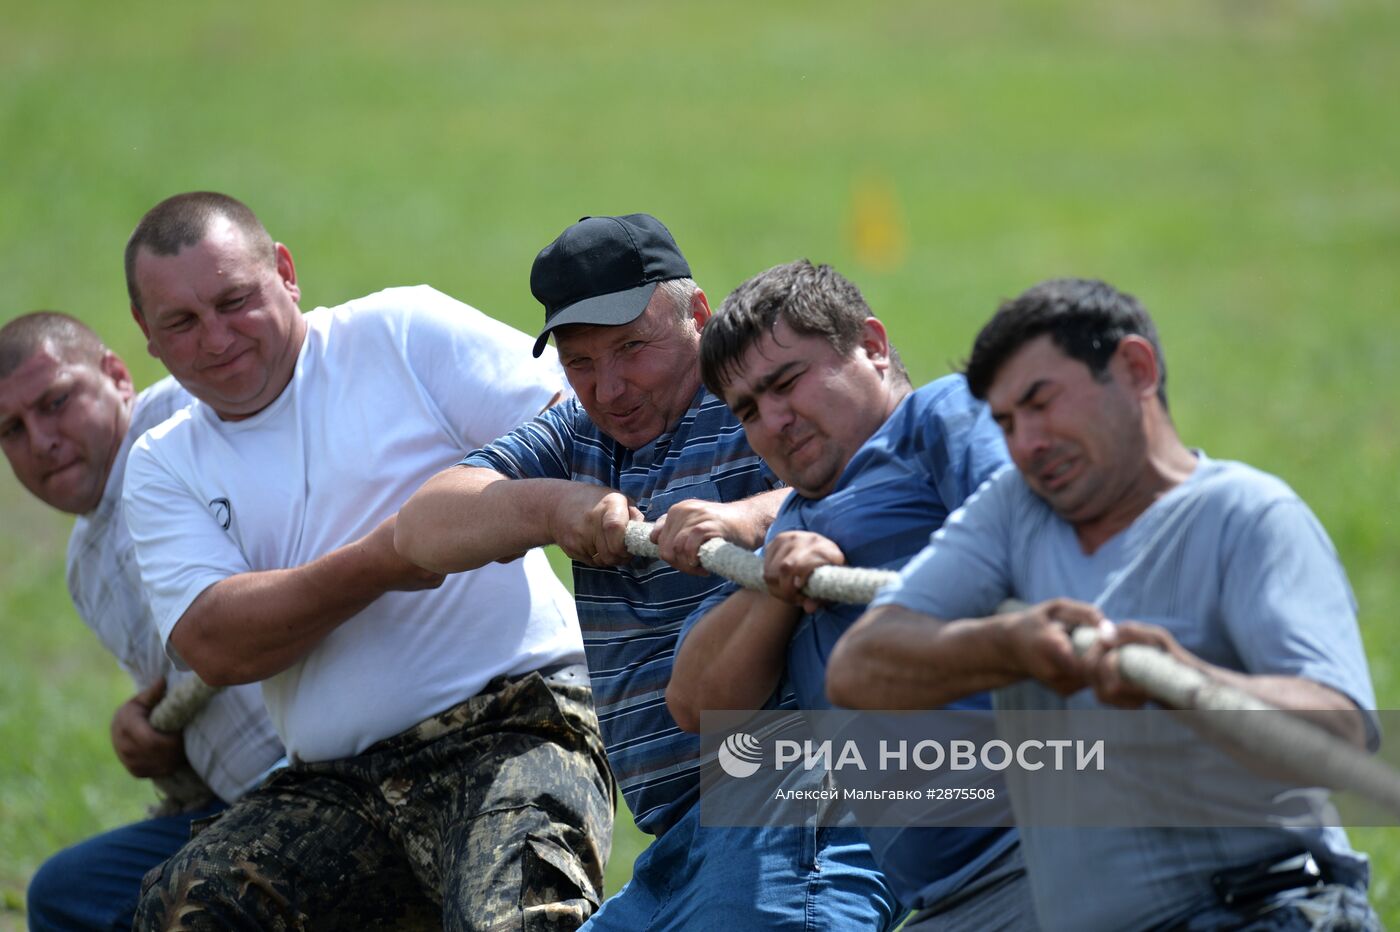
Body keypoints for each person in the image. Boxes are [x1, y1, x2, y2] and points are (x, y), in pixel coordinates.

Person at [120, 191, 612, 930]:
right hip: (334, 782)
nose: (217, 338)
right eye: (182, 323)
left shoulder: (400, 332)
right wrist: (385, 556)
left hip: (516, 719)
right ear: (145, 335)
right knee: (191, 904)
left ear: (285, 271)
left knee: (517, 918)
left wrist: (492, 513)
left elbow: (579, 433)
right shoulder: (162, 462)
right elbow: (215, 643)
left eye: (235, 301)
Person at [825, 278, 1380, 931]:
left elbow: (1342, 731)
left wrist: (1191, 684)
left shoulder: (1247, 514)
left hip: (1263, 910)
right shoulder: (1015, 514)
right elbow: (858, 668)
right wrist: (1006, 648)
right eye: (1006, 422)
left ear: (1136, 370)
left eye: (1042, 403)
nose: (1025, 442)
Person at [396, 216, 900, 930]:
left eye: (633, 347)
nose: (611, 386)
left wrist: (745, 520)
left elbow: (879, 470)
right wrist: (555, 508)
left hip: (795, 797)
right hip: (682, 843)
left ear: (699, 314)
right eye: (581, 362)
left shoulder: (750, 402)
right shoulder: (575, 438)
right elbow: (421, 529)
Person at [665, 258, 1033, 930]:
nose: (773, 420)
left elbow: (1024, 543)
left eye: (787, 382)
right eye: (748, 409)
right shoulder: (792, 526)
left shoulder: (940, 416)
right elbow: (694, 703)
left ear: (873, 344)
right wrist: (781, 587)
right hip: (947, 899)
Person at [0, 311, 285, 932]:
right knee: (64, 893)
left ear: (117, 375)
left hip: (325, 759)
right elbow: (176, 685)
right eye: (12, 430)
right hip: (233, 801)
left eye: (56, 402)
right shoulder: (83, 568)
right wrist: (141, 730)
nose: (41, 439)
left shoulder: (191, 414)